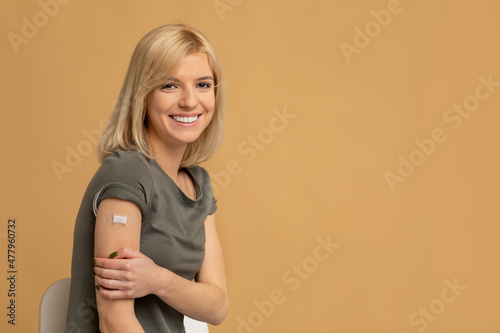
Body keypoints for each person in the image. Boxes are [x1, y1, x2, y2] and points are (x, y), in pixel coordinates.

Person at [65, 23, 228, 333]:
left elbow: (217, 307)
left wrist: (158, 279)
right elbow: (115, 322)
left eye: (203, 85)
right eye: (170, 85)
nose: (190, 101)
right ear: (143, 95)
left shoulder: (199, 185)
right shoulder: (127, 174)